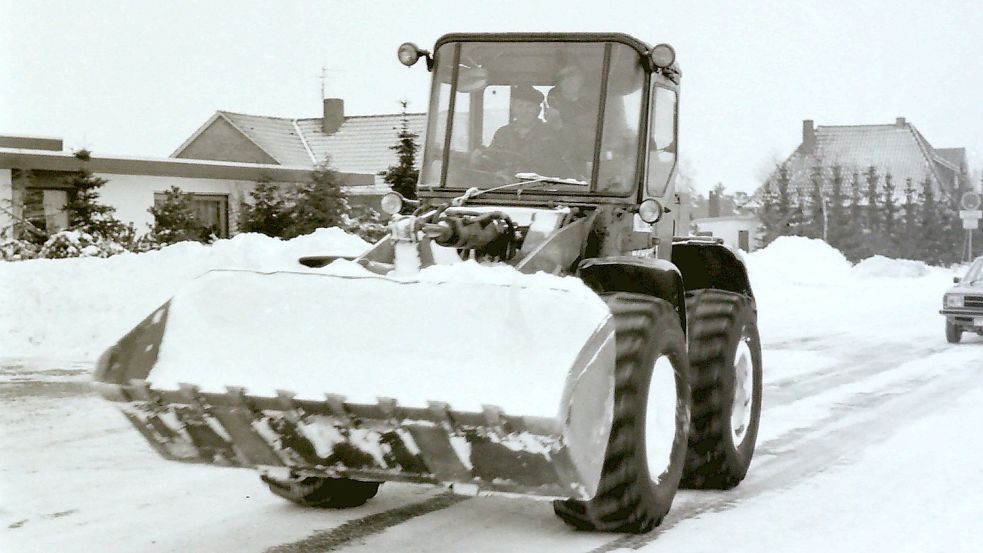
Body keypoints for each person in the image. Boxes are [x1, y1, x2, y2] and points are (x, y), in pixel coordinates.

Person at [472, 85, 564, 178]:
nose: (524, 111)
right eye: (520, 106)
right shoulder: (502, 133)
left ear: (538, 110)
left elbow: (560, 167)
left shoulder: (550, 134)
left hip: (541, 188)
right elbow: (492, 160)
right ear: (513, 109)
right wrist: (479, 161)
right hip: (506, 187)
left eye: (529, 106)